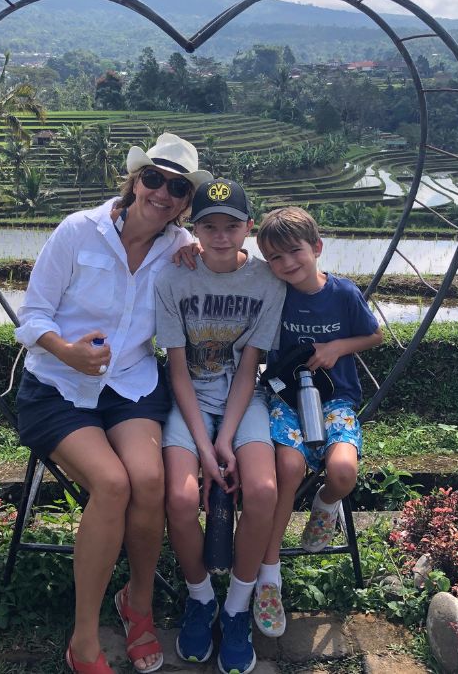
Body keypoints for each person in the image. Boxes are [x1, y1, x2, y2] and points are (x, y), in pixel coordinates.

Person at [14, 133, 212, 674]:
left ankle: (138, 604)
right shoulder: (79, 231)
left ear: (186, 200)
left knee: (149, 482)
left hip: (130, 384)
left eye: (177, 187)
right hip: (59, 386)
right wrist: (68, 352)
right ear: (135, 180)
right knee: (114, 483)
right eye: (154, 179)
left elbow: (236, 258)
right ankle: (84, 639)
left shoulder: (179, 248)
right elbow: (32, 317)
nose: (162, 193)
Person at [154, 179, 286, 674]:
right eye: (209, 225)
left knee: (264, 490)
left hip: (241, 402)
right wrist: (206, 453)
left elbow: (250, 366)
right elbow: (178, 368)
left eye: (231, 225)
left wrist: (225, 440)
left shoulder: (266, 284)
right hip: (188, 404)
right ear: (194, 230)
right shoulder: (173, 279)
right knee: (183, 498)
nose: (221, 235)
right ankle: (201, 596)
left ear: (248, 229)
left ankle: (237, 607)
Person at [251, 206, 383, 638]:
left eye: (295, 252)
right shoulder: (274, 291)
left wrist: (337, 347)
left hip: (336, 399)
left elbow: (374, 334)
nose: (287, 264)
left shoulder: (343, 294)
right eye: (276, 258)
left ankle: (325, 507)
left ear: (317, 248)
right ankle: (268, 576)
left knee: (343, 471)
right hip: (286, 399)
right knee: (287, 468)